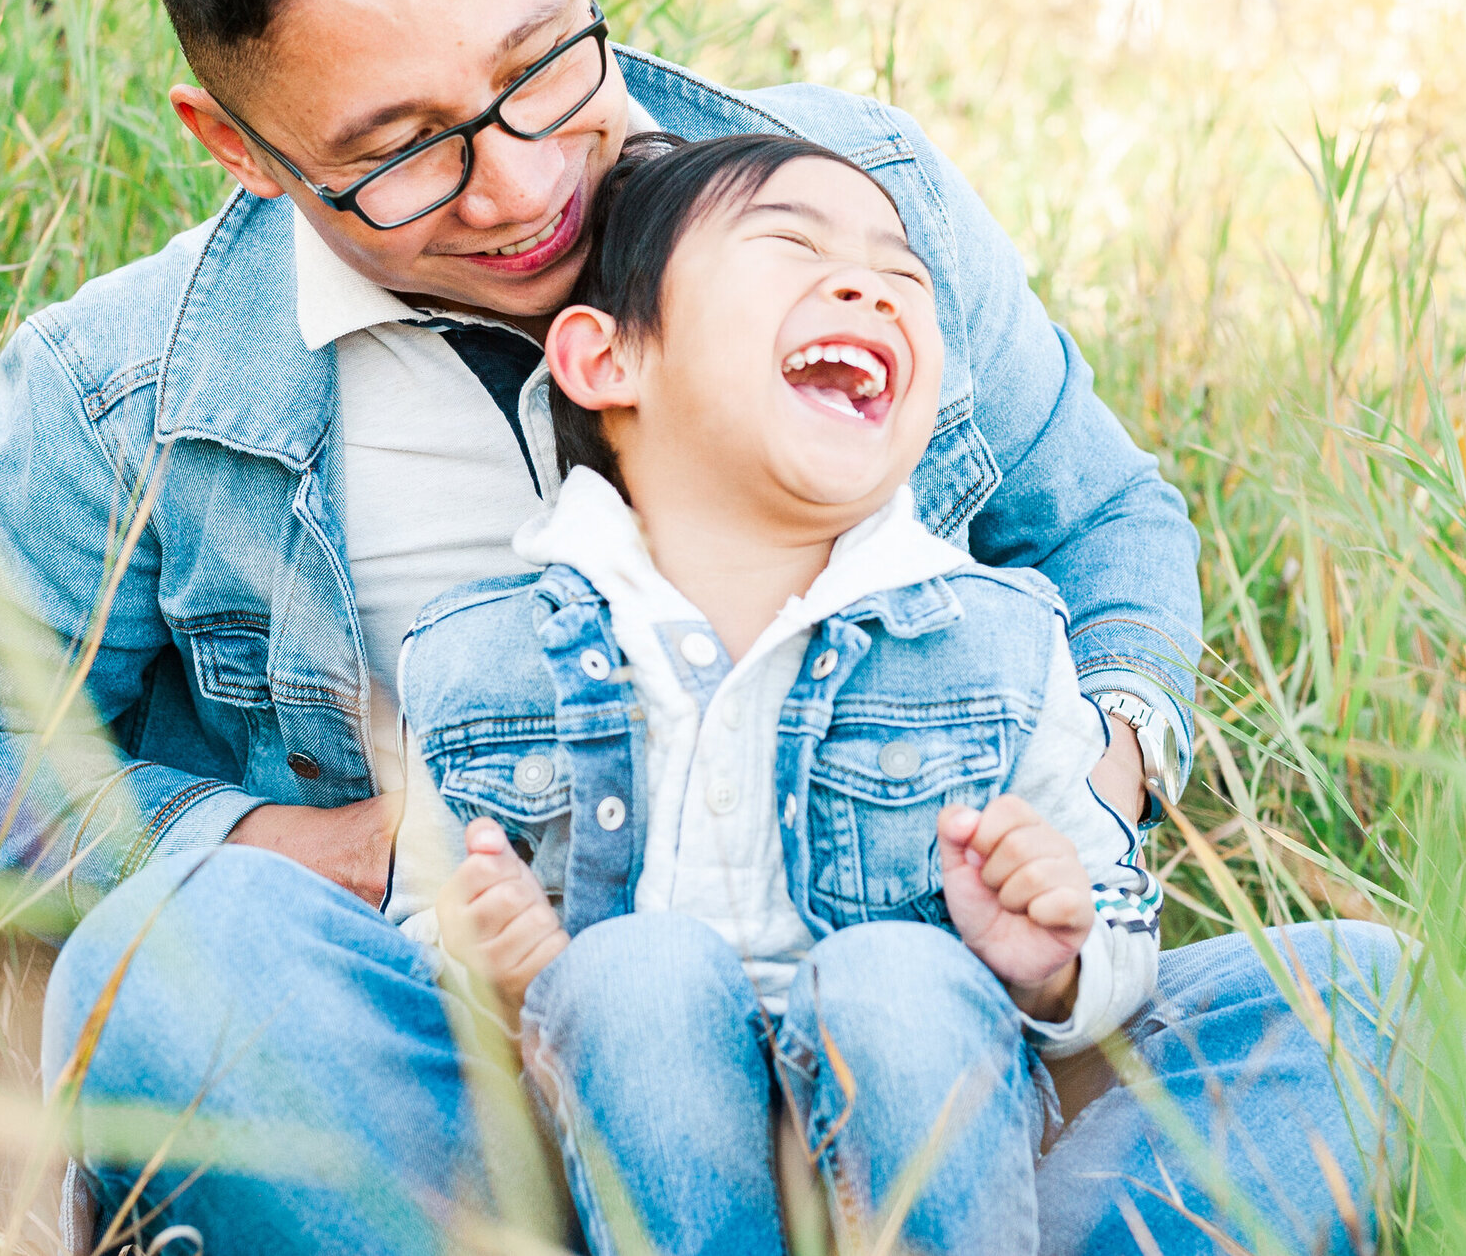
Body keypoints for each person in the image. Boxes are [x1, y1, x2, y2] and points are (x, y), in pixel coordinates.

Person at [0, 0, 1441, 1253]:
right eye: (403, 152)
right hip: (470, 1094)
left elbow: (1101, 530)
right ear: (241, 147)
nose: (528, 185)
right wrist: (348, 851)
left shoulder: (856, 208)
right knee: (163, 978)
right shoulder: (129, 387)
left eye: (544, 65)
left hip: (915, 1055)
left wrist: (1069, 818)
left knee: (1370, 1012)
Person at [397, 131, 1163, 1255]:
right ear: (609, 361)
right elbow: (416, 938)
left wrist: (1052, 962)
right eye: (788, 245)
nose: (866, 284)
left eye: (905, 276)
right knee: (638, 976)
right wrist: (496, 966)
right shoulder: (481, 657)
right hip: (621, 1176)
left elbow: (1118, 907)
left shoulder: (998, 642)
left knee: (1358, 991)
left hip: (920, 1143)